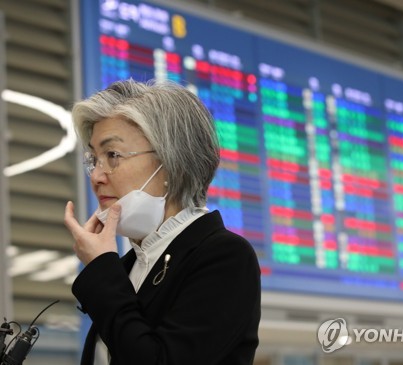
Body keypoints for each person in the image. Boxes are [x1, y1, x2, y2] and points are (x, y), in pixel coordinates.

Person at [64, 79, 261, 365]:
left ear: (171, 162)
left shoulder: (225, 256)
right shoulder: (128, 266)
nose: (96, 176)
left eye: (113, 155)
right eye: (94, 159)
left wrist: (101, 271)